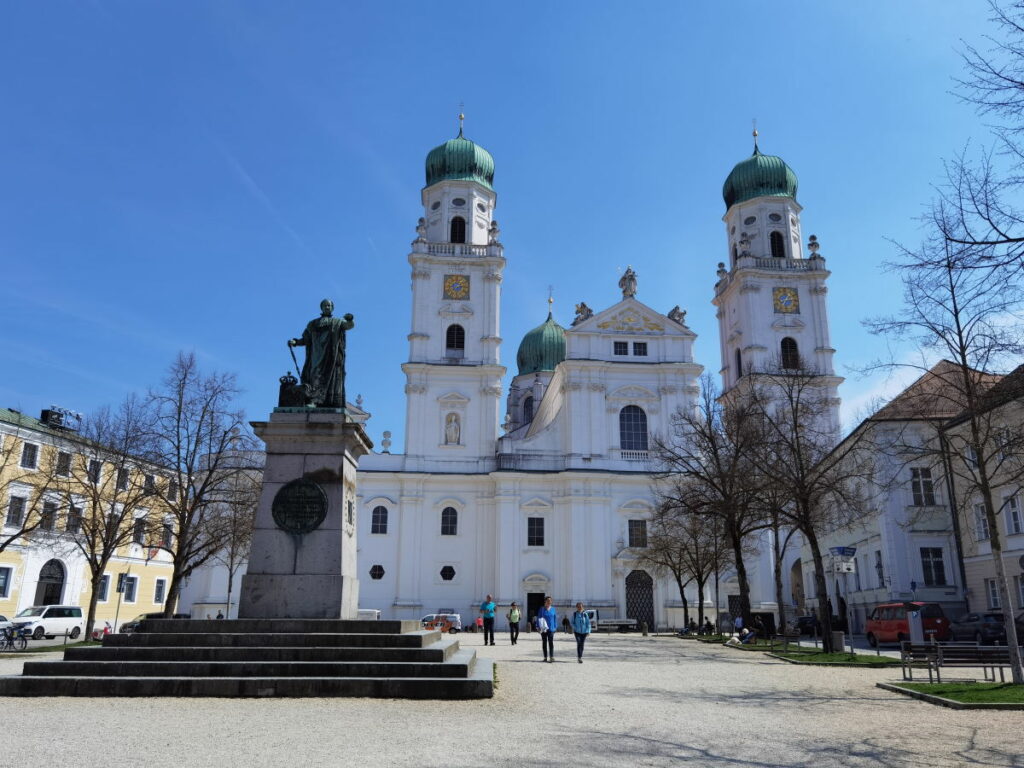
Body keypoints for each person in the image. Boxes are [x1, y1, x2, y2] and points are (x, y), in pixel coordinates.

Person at [289, 299, 355, 408]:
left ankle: (329, 402)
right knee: (315, 376)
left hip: (331, 356)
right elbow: (306, 339)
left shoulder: (337, 322)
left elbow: (349, 326)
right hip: (316, 355)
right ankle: (313, 400)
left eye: (329, 305)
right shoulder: (313, 324)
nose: (327, 307)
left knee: (331, 378)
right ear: (321, 308)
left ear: (332, 307)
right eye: (325, 305)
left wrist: (350, 319)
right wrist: (295, 342)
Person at [536, 596, 557, 663]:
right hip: (543, 629)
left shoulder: (553, 609)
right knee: (544, 643)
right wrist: (538, 627)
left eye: (550, 600)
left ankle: (551, 656)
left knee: (551, 642)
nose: (549, 601)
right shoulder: (541, 609)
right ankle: (545, 657)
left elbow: (555, 618)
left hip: (551, 629)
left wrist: (555, 627)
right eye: (548, 600)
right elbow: (538, 618)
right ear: (545, 601)